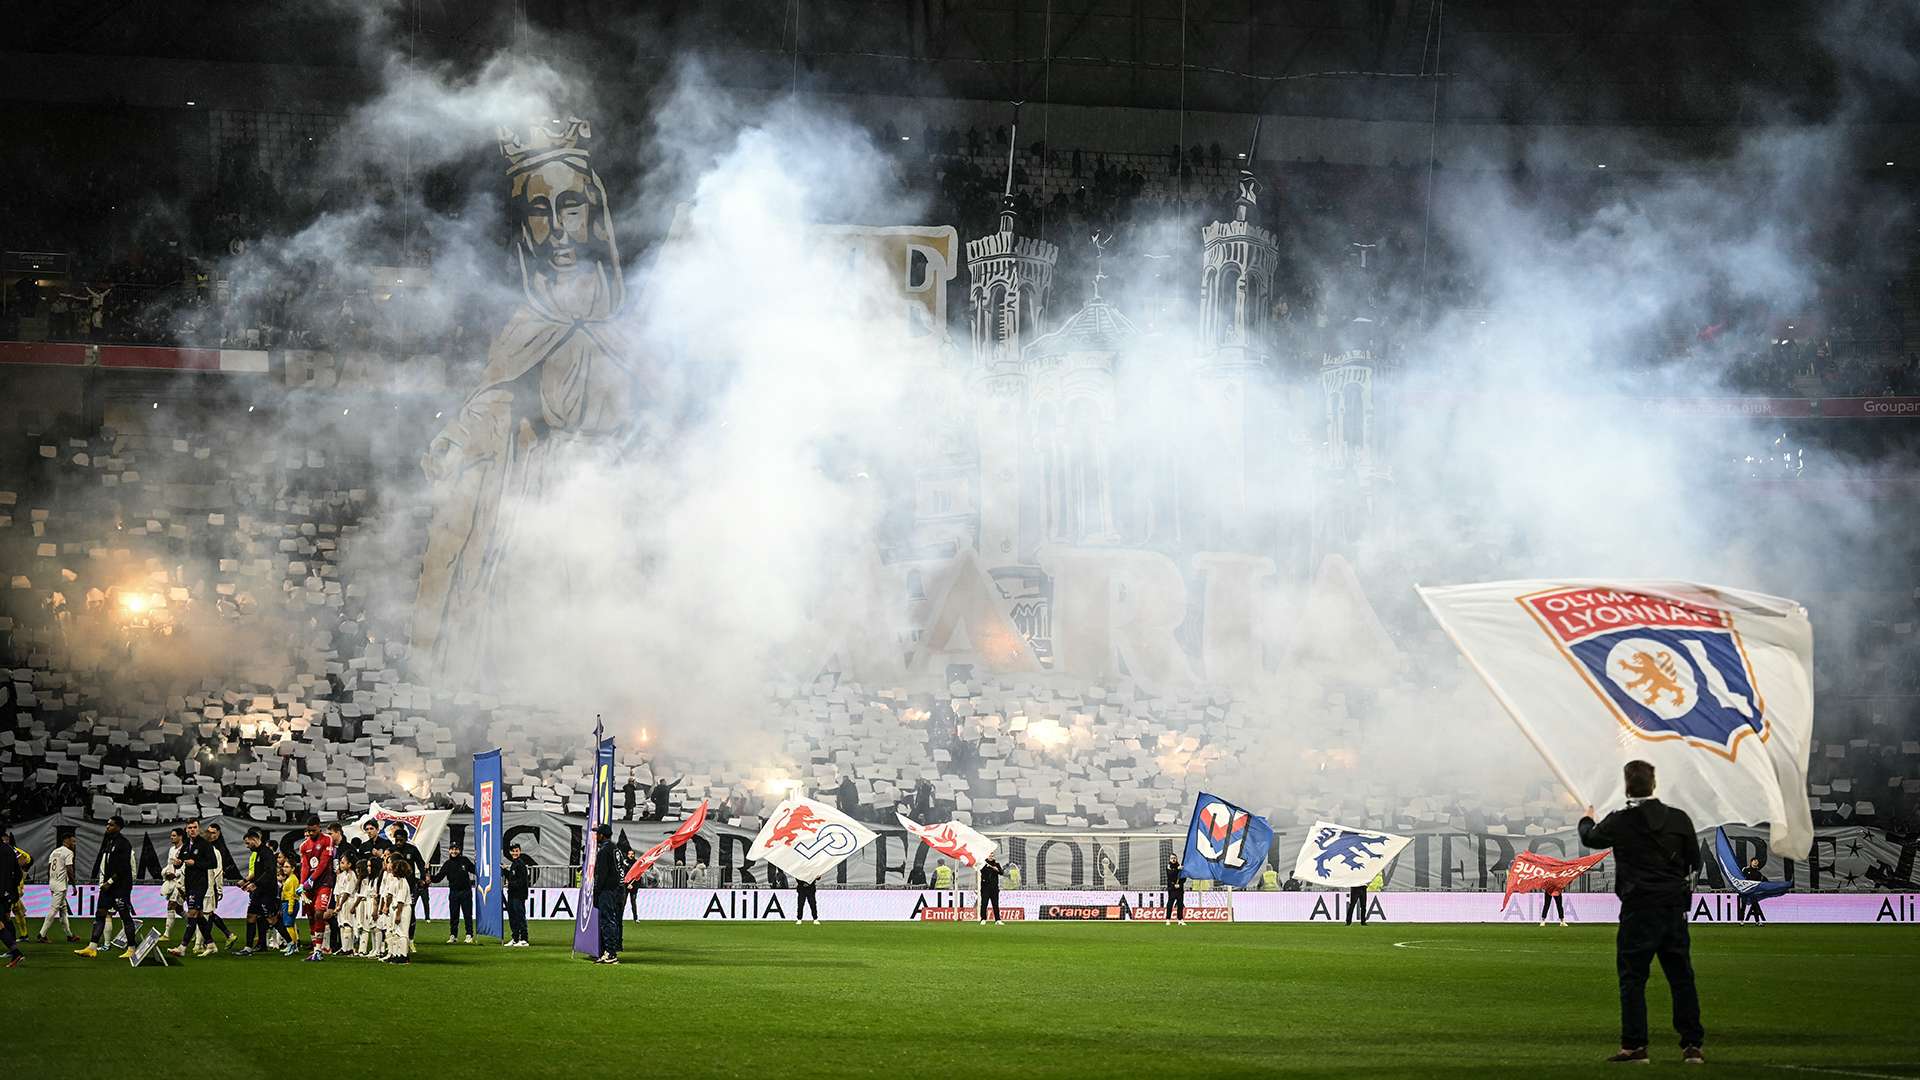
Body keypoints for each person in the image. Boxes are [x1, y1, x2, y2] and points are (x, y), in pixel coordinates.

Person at [1578, 760, 1705, 1065]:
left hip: (1638, 909)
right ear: (1654, 783)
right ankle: (1692, 1046)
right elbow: (1694, 860)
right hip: (1673, 908)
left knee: (1633, 979)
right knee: (1681, 978)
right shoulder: (1678, 819)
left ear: (1626, 785)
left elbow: (1590, 838)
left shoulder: (1621, 820)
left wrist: (1586, 818)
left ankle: (1635, 1047)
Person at [77, 815, 140, 959]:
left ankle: (132, 948)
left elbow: (124, 868)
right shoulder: (109, 842)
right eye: (107, 824)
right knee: (100, 914)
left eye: (110, 825)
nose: (107, 827)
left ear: (118, 827)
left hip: (120, 887)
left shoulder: (124, 844)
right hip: (108, 887)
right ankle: (92, 947)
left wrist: (109, 882)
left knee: (125, 916)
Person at [172, 819, 216, 957]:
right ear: (186, 830)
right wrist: (178, 863)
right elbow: (180, 863)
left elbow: (212, 863)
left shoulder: (205, 845)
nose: (192, 830)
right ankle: (210, 944)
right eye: (189, 827)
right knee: (199, 915)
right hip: (189, 884)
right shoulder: (185, 846)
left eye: (194, 827)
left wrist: (195, 862)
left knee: (191, 913)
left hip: (200, 884)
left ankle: (182, 947)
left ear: (198, 829)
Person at [297, 816, 337, 961]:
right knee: (311, 916)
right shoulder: (304, 846)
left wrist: (312, 879)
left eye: (313, 830)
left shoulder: (327, 839)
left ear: (319, 827)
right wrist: (302, 884)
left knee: (320, 912)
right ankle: (316, 950)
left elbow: (324, 863)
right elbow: (305, 866)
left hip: (324, 883)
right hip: (309, 885)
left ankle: (319, 950)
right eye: (309, 831)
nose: (311, 833)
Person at [236, 828, 280, 956]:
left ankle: (290, 943)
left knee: (272, 919)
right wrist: (246, 882)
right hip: (257, 890)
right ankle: (250, 947)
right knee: (252, 916)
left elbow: (269, 872)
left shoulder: (266, 853)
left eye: (248, 843)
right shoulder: (256, 854)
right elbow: (257, 873)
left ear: (254, 839)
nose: (247, 846)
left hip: (266, 891)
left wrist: (254, 884)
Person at [36, 832, 79, 943]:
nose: (74, 843)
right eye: (73, 841)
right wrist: (74, 885)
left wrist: (51, 881)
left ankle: (70, 935)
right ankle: (42, 934)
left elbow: (49, 868)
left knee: (63, 910)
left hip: (53, 883)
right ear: (66, 840)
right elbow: (69, 869)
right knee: (54, 909)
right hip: (60, 885)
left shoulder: (54, 852)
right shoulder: (68, 852)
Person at [432, 840, 477, 943]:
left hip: (466, 892)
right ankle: (453, 935)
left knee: (467, 915)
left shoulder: (464, 860)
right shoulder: (447, 864)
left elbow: (475, 870)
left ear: (459, 850)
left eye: (456, 849)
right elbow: (438, 878)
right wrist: (429, 877)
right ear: (449, 851)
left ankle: (469, 935)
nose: (454, 851)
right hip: (454, 892)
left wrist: (477, 862)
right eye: (452, 849)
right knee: (454, 915)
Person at [591, 823, 623, 963]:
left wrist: (596, 892)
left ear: (602, 835)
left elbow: (601, 874)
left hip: (606, 890)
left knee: (607, 921)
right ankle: (609, 951)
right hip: (615, 889)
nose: (596, 836)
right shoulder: (615, 848)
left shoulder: (604, 850)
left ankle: (610, 953)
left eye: (597, 833)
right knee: (611, 920)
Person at [203, 822, 239, 949]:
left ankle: (207, 941)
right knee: (207, 913)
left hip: (210, 885)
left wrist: (219, 889)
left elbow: (218, 872)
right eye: (209, 832)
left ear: (218, 833)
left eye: (213, 832)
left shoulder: (218, 849)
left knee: (206, 913)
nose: (211, 835)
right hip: (206, 885)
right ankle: (226, 935)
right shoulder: (210, 846)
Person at [380, 852, 416, 964]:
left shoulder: (403, 882)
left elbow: (401, 900)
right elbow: (389, 895)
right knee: (395, 932)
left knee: (402, 932)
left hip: (403, 908)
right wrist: (386, 906)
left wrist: (399, 914)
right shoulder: (395, 880)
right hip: (395, 908)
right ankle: (396, 953)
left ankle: (404, 955)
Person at [503, 842, 534, 946]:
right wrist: (505, 871)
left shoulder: (520, 864)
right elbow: (512, 878)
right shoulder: (514, 864)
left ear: (520, 851)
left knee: (520, 916)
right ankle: (515, 938)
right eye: (513, 851)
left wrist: (510, 884)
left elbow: (521, 881)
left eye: (517, 851)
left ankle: (524, 939)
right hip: (512, 894)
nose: (515, 853)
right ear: (510, 852)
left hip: (519, 895)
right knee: (512, 917)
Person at [160, 827, 187, 941]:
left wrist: (176, 875)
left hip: (181, 882)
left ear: (180, 836)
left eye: (174, 835)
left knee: (171, 905)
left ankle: (166, 934)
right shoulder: (171, 850)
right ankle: (194, 925)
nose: (172, 837)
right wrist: (165, 872)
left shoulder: (185, 849)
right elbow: (169, 864)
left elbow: (185, 867)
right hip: (171, 881)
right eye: (171, 835)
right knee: (179, 909)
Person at [0, 824, 22, 967]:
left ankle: (15, 953)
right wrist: (13, 892)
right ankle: (14, 952)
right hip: (7, 893)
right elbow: (18, 873)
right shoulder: (10, 850)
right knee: (5, 920)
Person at [1738, 858, 1770, 925]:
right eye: (1754, 861)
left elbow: (1762, 881)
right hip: (1745, 891)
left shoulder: (1758, 873)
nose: (1755, 862)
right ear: (1751, 862)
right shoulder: (1745, 870)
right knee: (1743, 906)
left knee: (1755, 906)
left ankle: (1757, 921)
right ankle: (1741, 921)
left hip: (1753, 892)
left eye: (1757, 862)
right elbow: (1740, 878)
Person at [978, 855, 1005, 924]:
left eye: (992, 856)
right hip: (985, 888)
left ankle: (998, 920)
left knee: (995, 904)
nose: (991, 857)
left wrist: (997, 869)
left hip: (994, 888)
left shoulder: (997, 864)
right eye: (990, 856)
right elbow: (981, 871)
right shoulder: (983, 864)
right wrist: (988, 866)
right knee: (984, 904)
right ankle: (983, 919)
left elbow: (1001, 872)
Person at [1165, 853, 1186, 925]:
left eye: (1174, 858)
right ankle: (1168, 919)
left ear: (1176, 859)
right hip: (1172, 889)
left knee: (1180, 904)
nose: (1173, 859)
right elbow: (1171, 875)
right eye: (1172, 858)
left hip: (1179, 889)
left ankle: (1180, 919)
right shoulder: (1169, 866)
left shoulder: (1180, 866)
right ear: (1170, 859)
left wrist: (1180, 885)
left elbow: (1183, 877)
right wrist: (1174, 885)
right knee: (1170, 904)